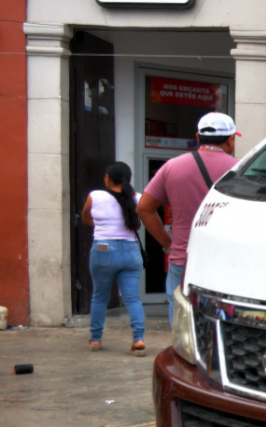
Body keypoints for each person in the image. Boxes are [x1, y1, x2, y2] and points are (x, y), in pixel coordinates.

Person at [138, 112, 241, 324]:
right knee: (221, 323)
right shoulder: (240, 170)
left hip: (182, 259)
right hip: (225, 261)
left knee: (182, 323)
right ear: (231, 139)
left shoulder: (172, 167)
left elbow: (144, 209)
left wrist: (169, 244)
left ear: (198, 136)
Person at [80, 161, 147, 355]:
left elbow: (86, 217)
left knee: (100, 296)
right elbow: (139, 223)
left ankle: (95, 339)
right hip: (131, 251)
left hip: (104, 249)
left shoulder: (96, 196)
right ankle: (139, 339)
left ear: (108, 178)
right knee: (133, 298)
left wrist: (102, 225)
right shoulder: (138, 198)